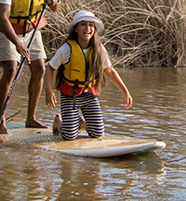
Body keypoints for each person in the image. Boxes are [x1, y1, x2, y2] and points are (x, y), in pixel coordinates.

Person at [0, 0, 61, 134]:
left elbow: (55, 5)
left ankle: (31, 118)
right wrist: (17, 43)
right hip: (8, 31)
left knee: (39, 68)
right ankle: (0, 121)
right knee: (10, 70)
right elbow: (2, 18)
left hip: (31, 28)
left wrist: (53, 1)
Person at [44, 11, 133, 140]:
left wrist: (125, 91)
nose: (88, 28)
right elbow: (50, 68)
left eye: (91, 25)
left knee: (97, 134)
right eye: (83, 24)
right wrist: (48, 90)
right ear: (75, 28)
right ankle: (59, 123)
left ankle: (80, 123)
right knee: (69, 136)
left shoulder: (99, 49)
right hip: (70, 96)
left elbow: (110, 71)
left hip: (90, 95)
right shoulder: (66, 49)